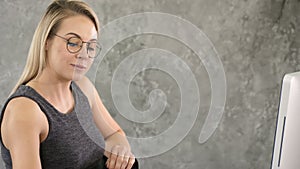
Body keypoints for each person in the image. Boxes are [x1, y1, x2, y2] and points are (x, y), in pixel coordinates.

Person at [0, 0, 138, 169]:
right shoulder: (26, 111)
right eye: (73, 43)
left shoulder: (83, 88)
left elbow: (115, 134)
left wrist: (120, 152)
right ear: (46, 42)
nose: (83, 55)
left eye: (91, 46)